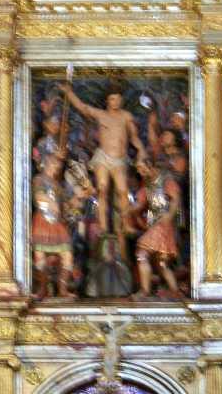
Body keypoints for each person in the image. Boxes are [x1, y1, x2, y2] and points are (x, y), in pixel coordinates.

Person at [59, 84, 147, 237]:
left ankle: (126, 224)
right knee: (102, 189)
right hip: (103, 157)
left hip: (119, 159)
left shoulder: (126, 116)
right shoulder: (100, 114)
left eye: (118, 99)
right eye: (112, 99)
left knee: (123, 191)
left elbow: (134, 137)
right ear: (107, 101)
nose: (116, 102)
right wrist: (69, 93)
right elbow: (82, 107)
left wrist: (141, 149)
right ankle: (103, 226)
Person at [132, 159, 182, 300]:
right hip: (156, 224)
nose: (140, 172)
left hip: (163, 224)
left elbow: (175, 198)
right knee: (162, 263)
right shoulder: (147, 185)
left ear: (150, 166)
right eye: (138, 170)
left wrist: (170, 215)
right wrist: (127, 210)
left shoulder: (166, 180)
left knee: (142, 253)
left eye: (142, 168)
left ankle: (145, 290)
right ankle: (175, 291)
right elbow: (139, 203)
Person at [31, 154, 75, 299]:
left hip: (57, 222)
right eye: (52, 163)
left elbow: (65, 205)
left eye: (57, 165)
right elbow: (38, 197)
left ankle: (63, 289)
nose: (55, 167)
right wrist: (50, 203)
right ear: (45, 164)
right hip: (43, 220)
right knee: (40, 255)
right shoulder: (39, 179)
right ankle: (42, 288)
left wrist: (75, 201)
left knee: (67, 254)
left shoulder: (57, 185)